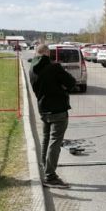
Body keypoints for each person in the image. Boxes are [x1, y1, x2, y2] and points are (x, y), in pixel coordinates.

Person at [30, 43, 76, 188]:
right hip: (58, 110)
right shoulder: (54, 67)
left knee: (46, 139)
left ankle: (45, 169)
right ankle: (50, 176)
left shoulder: (32, 69)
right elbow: (71, 82)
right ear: (46, 53)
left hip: (43, 109)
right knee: (55, 142)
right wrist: (61, 87)